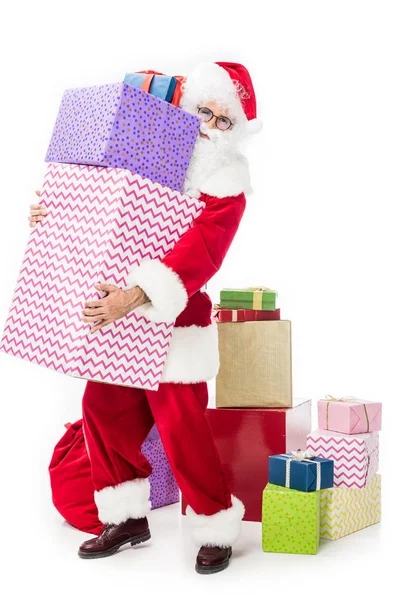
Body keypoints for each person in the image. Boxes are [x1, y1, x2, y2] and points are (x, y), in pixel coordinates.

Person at [29, 61, 262, 574]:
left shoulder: (227, 184)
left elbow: (202, 253)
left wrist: (136, 296)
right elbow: (101, 208)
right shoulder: (149, 152)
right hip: (118, 313)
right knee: (102, 409)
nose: (210, 125)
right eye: (204, 110)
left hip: (174, 322)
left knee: (183, 427)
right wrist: (53, 212)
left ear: (237, 130)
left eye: (224, 120)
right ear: (188, 106)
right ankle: (126, 516)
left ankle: (215, 521)